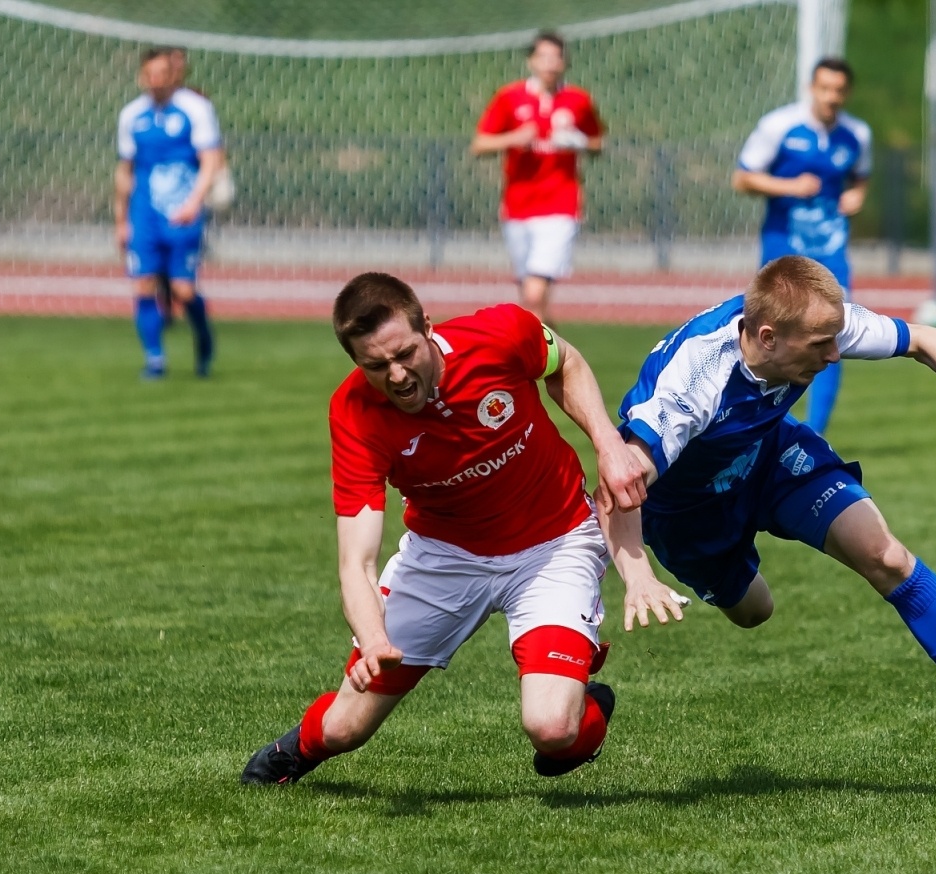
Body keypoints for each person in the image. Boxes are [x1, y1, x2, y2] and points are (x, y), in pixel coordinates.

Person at [600, 256, 936, 784]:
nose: (834, 354)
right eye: (820, 346)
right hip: (687, 512)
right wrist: (637, 574)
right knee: (754, 610)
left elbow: (921, 339)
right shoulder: (692, 387)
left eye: (835, 340)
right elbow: (618, 483)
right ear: (767, 338)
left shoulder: (813, 321)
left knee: (888, 558)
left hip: (771, 457)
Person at [242, 274, 649, 785]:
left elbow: (565, 362)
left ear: (428, 328)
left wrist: (608, 445)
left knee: (554, 728)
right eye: (376, 366)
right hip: (444, 555)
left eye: (404, 354)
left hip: (555, 542)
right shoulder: (354, 413)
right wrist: (373, 639)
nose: (396, 376)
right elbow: (356, 561)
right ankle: (296, 749)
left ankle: (585, 707)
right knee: (344, 729)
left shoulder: (500, 334)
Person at [733, 57, 871, 435]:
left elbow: (860, 178)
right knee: (770, 338)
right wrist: (788, 186)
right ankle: (760, 424)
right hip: (783, 249)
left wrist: (857, 195)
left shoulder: (857, 134)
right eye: (824, 88)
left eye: (838, 90)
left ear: (847, 93)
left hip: (831, 251)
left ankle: (814, 431)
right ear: (812, 88)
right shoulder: (779, 126)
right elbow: (742, 179)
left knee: (832, 335)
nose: (831, 97)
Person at [471, 32, 604, 326]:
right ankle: (556, 351)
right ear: (531, 61)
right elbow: (479, 145)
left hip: (560, 205)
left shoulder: (578, 100)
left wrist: (578, 141)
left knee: (534, 293)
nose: (550, 64)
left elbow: (597, 143)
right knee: (532, 303)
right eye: (543, 57)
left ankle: (540, 354)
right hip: (518, 206)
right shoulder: (510, 97)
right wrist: (513, 138)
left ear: (565, 62)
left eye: (556, 57)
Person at [114, 47, 222, 379]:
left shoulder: (196, 108)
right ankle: (155, 360)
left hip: (181, 212)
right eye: (151, 74)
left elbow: (211, 160)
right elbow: (124, 170)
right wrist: (121, 219)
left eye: (163, 73)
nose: (157, 80)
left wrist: (194, 202)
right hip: (144, 212)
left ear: (174, 75)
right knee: (143, 285)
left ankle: (203, 337)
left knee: (182, 290)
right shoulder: (132, 115)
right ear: (142, 77)